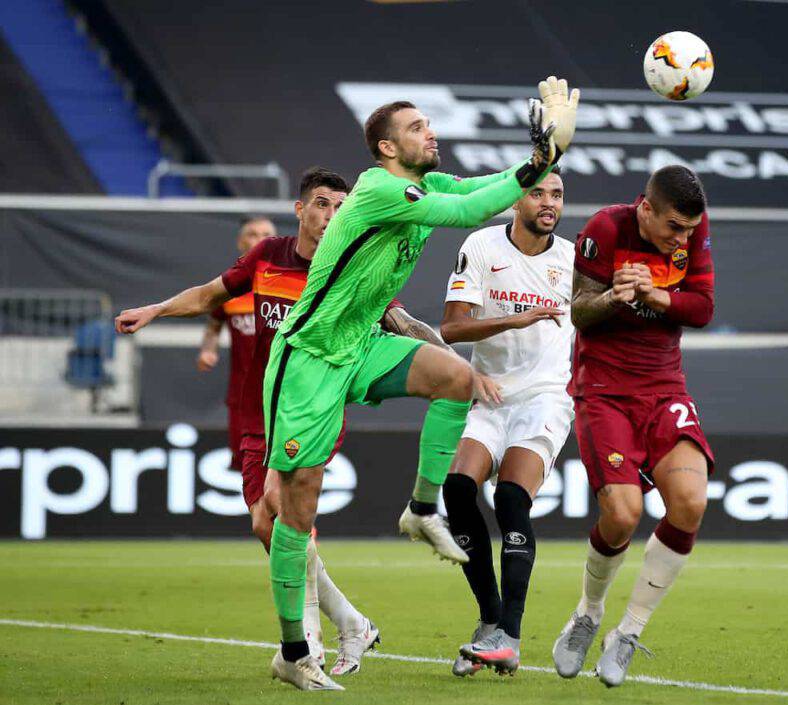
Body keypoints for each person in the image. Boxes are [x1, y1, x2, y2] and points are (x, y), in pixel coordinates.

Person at [261, 77, 580, 690]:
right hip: (310, 356)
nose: (430, 133)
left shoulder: (424, 182)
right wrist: (541, 161)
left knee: (458, 379)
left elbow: (482, 191)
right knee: (297, 508)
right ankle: (294, 652)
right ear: (385, 148)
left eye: (429, 125)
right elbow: (467, 213)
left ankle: (420, 508)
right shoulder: (382, 190)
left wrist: (541, 162)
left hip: (364, 344)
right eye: (416, 127)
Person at [114, 167, 452, 677]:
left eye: (341, 206)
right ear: (301, 210)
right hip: (256, 413)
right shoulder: (269, 257)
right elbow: (211, 295)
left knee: (281, 507)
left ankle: (304, 648)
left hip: (313, 408)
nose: (331, 215)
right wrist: (156, 310)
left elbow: (399, 320)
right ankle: (351, 622)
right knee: (264, 524)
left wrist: (451, 364)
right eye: (321, 204)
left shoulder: (354, 264)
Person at [550, 165, 715, 687]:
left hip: (665, 387)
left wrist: (654, 294)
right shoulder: (605, 229)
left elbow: (703, 308)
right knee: (623, 515)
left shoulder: (692, 231)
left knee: (690, 503)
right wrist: (613, 298)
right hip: (604, 388)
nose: (682, 239)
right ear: (645, 209)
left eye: (689, 230)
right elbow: (579, 312)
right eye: (673, 228)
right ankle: (587, 613)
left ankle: (628, 631)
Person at [440, 167, 574, 677]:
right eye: (537, 192)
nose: (548, 202)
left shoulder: (573, 262)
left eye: (557, 194)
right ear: (515, 201)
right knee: (457, 489)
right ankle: (490, 620)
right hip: (490, 393)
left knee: (511, 498)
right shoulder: (481, 246)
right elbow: (452, 327)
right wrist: (512, 319)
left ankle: (510, 637)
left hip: (546, 397)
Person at [195, 215, 275, 477]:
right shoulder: (230, 289)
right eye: (253, 234)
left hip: (284, 395)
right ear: (241, 242)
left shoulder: (292, 285)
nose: (259, 239)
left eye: (266, 234)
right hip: (242, 396)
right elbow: (213, 326)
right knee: (249, 470)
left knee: (284, 470)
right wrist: (209, 348)